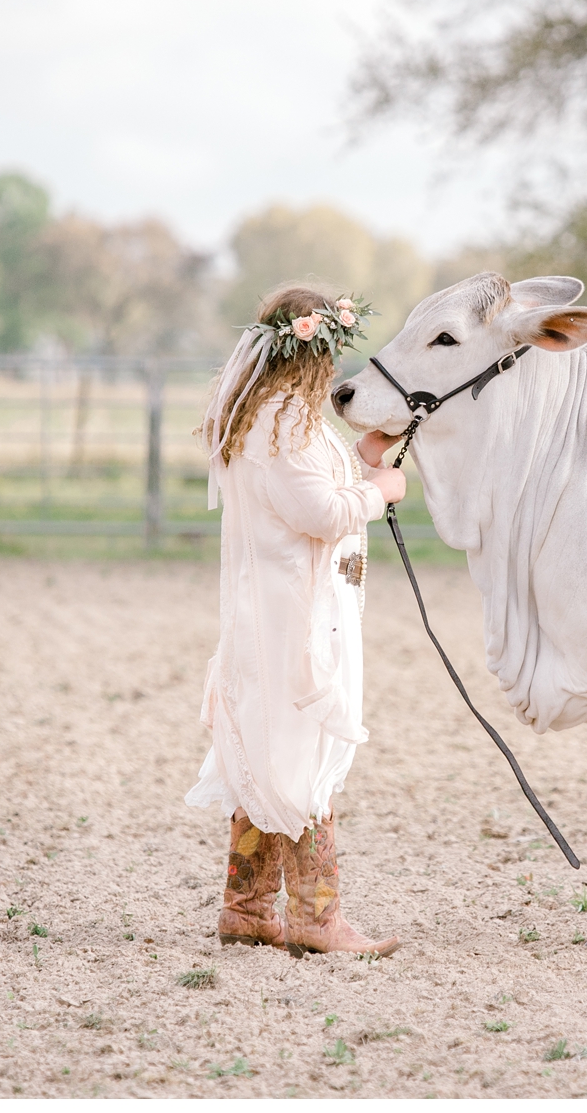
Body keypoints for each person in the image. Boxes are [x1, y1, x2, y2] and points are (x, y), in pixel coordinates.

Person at [184, 284, 408, 958]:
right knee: (301, 749)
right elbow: (320, 514)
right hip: (293, 613)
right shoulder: (286, 422)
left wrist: (363, 458)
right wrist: (381, 491)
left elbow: (309, 488)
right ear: (313, 349)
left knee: (271, 742)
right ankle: (315, 917)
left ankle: (247, 905)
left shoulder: (272, 416)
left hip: (278, 605)